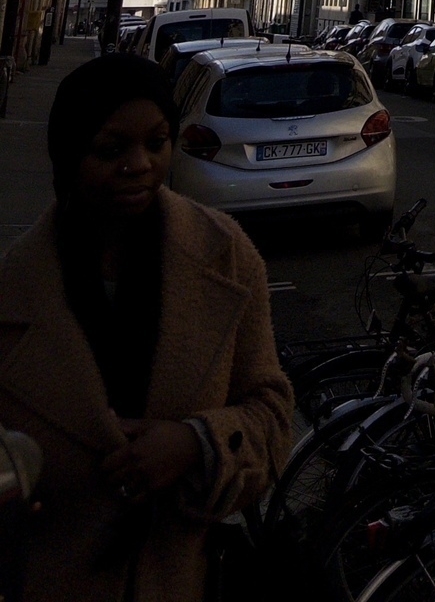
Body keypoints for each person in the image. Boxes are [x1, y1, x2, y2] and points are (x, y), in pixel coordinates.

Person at [0, 54, 291, 602]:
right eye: (110, 150)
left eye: (157, 143)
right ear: (67, 155)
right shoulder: (13, 292)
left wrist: (195, 445)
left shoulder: (226, 256)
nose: (139, 165)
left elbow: (273, 413)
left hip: (180, 578)